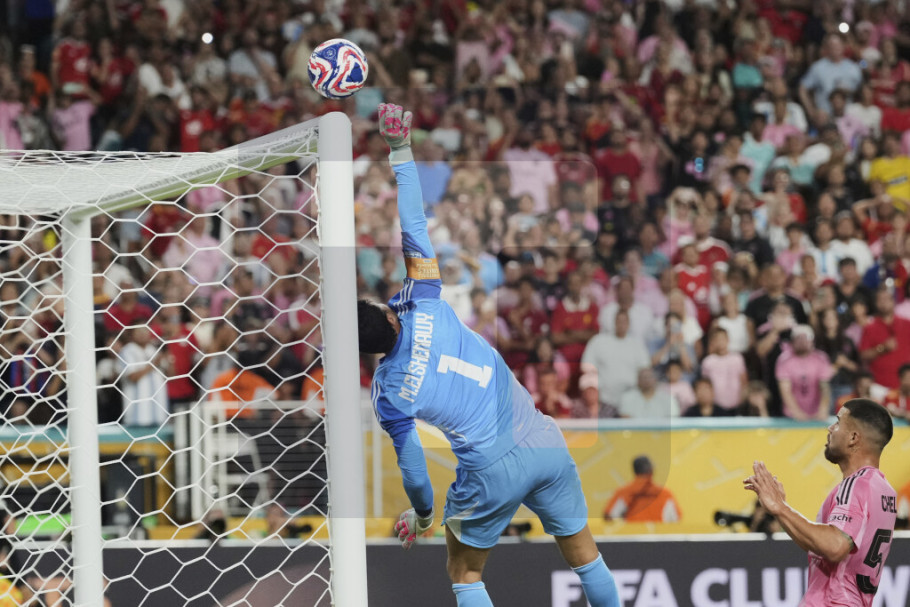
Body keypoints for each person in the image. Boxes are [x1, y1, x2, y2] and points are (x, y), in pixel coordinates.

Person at [358, 104, 619, 607]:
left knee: (464, 571)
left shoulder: (389, 392)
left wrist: (424, 515)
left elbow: (414, 470)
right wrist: (400, 150)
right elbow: (413, 223)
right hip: (542, 439)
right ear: (389, 317)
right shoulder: (423, 297)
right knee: (585, 555)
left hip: (489, 469)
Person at [744, 399, 896, 606]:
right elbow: (821, 547)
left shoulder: (856, 484)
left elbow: (835, 546)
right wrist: (781, 511)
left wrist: (781, 508)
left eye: (838, 422)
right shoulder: (883, 490)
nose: (830, 428)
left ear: (853, 438)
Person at [603, 455, 681, 523]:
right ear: (651, 470)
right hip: (657, 534)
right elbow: (676, 518)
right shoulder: (664, 494)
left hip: (632, 534)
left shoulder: (624, 492)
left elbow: (609, 515)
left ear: (635, 471)